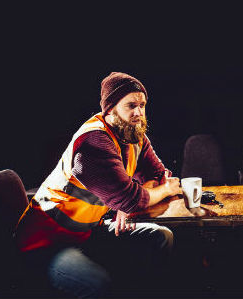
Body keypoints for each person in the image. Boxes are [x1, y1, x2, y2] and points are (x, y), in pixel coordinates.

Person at [14, 72, 182, 298]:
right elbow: (135, 196)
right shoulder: (93, 142)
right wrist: (163, 191)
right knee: (98, 283)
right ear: (110, 108)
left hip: (88, 231)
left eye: (142, 105)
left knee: (161, 236)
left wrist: (129, 201)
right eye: (131, 105)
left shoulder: (133, 134)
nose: (139, 113)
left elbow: (157, 173)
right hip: (48, 243)